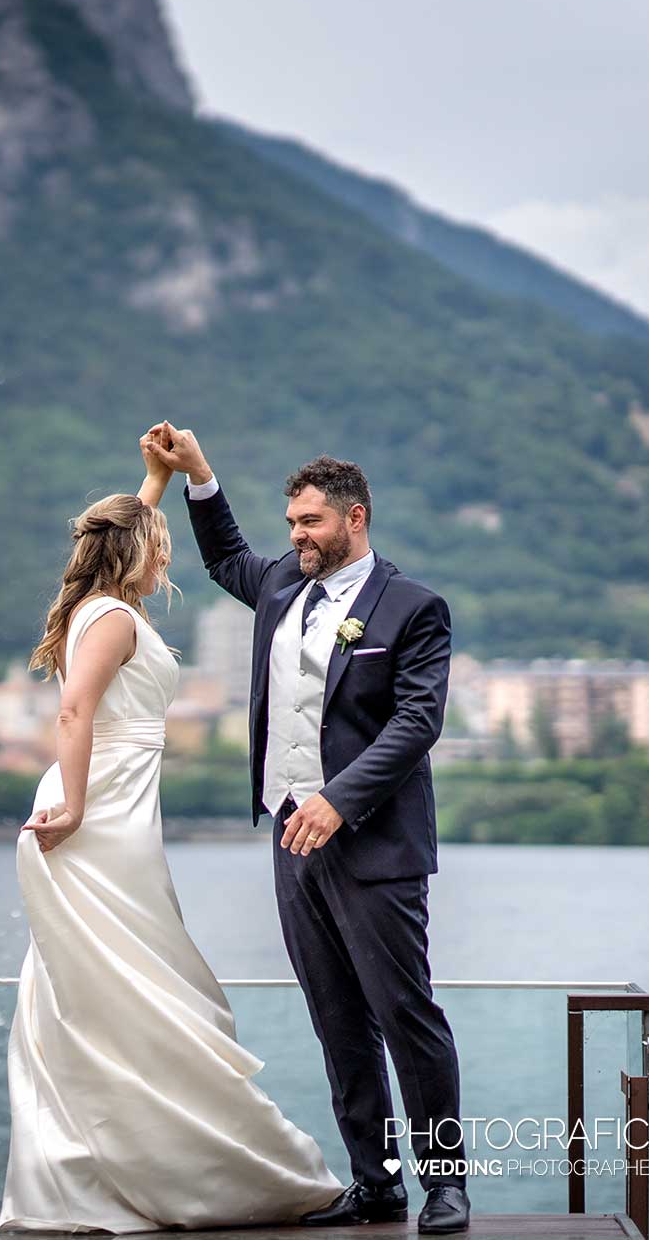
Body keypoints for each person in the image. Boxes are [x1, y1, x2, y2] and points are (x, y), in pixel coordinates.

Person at [0, 436, 346, 1232]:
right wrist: (75, 808)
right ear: (135, 553)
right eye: (158, 547)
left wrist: (156, 481)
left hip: (117, 807)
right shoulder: (113, 619)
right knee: (134, 983)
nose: (167, 559)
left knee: (113, 984)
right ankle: (149, 1169)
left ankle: (102, 1164)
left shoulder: (101, 607)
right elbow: (74, 713)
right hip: (98, 812)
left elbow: (127, 532)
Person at [140, 422, 470, 1234]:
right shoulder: (285, 584)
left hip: (375, 846)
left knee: (405, 1015)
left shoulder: (413, 608)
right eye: (291, 522)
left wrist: (339, 799)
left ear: (355, 518)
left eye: (311, 521)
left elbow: (417, 721)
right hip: (292, 844)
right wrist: (199, 474)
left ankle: (446, 1184)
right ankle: (377, 1182)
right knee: (337, 1020)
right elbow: (226, 557)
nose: (297, 536)